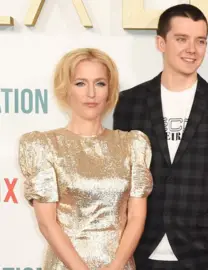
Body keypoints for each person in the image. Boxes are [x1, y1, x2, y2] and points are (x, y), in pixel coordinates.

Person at [113, 4, 208, 270]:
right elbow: (120, 183)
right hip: (140, 250)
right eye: (181, 39)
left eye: (200, 41)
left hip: (203, 255)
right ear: (161, 42)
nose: (192, 49)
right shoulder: (130, 103)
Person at [18, 48, 153, 270]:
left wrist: (117, 265)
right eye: (80, 83)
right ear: (66, 89)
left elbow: (137, 215)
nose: (91, 93)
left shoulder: (132, 145)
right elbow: (47, 222)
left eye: (100, 83)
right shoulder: (44, 146)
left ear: (109, 91)